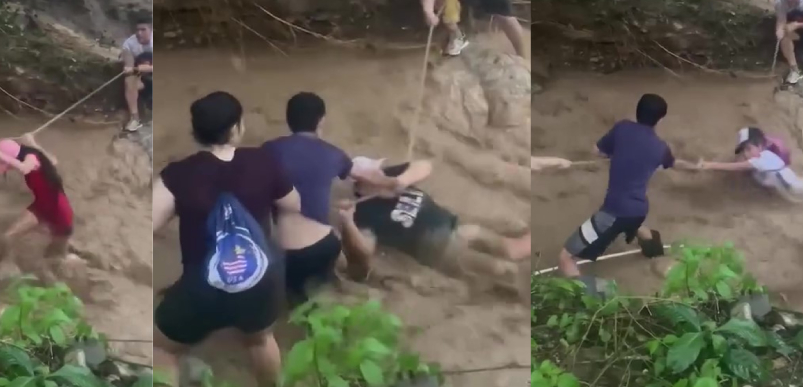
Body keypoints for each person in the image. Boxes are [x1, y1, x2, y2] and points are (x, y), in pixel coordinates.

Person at [152, 91, 301, 387]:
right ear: (236, 128)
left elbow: (149, 224)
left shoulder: (177, 175)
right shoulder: (263, 161)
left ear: (195, 132)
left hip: (203, 287)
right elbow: (293, 205)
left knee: (162, 347)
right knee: (260, 338)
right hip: (258, 277)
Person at [262, 92, 401, 303]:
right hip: (322, 246)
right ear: (321, 121)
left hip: (280, 252)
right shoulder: (332, 153)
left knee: (292, 295)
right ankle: (358, 280)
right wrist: (393, 183)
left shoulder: (268, 150)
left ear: (288, 120)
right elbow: (364, 175)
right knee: (330, 281)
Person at [559, 94, 695, 278]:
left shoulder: (622, 128)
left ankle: (586, 298)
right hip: (639, 209)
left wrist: (617, 152)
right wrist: (696, 166)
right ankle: (656, 253)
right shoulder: (661, 147)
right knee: (634, 223)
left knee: (566, 257)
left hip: (614, 211)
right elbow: (675, 163)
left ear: (637, 111)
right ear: (660, 119)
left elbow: (596, 151)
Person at [341, 157, 528, 288]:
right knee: (505, 271)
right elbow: (365, 250)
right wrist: (348, 223)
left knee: (512, 249)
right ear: (363, 182)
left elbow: (424, 166)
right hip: (444, 251)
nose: (381, 171)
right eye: (375, 172)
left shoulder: (391, 177)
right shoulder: (362, 213)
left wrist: (400, 181)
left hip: (456, 227)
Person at [0, 133, 78, 267]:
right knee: (8, 236)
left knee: (57, 257)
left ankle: (78, 259)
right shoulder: (31, 153)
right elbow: (53, 161)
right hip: (42, 205)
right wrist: (33, 142)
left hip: (59, 211)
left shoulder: (30, 158)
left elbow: (24, 167)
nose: (8, 168)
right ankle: (9, 264)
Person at [696, 127, 803, 206]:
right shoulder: (764, 159)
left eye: (749, 148)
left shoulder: (762, 159)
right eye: (744, 150)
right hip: (798, 191)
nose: (746, 154)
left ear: (760, 146)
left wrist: (709, 165)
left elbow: (735, 167)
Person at [120, 16, 154, 132]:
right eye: (137, 30)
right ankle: (135, 118)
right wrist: (130, 69)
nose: (139, 33)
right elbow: (129, 64)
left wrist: (150, 68)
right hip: (142, 78)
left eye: (143, 30)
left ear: (151, 29)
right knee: (129, 80)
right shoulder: (129, 44)